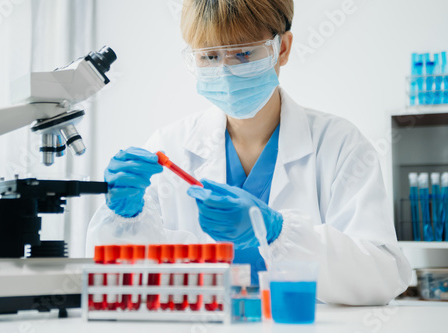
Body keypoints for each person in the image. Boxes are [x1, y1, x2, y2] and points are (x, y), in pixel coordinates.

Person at [86, 0, 411, 305]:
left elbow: (382, 274)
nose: (225, 72)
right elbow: (116, 278)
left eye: (242, 54)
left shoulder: (339, 145)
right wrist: (124, 218)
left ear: (281, 48)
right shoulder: (168, 146)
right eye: (209, 57)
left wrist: (277, 231)